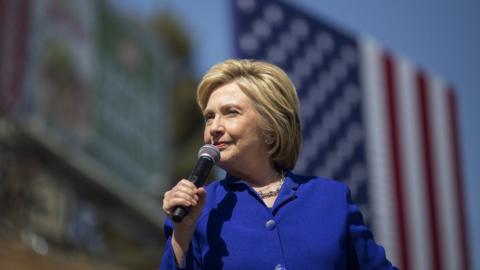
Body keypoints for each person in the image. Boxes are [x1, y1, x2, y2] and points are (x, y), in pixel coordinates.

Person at [160, 59, 397, 270]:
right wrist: (183, 232)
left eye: (231, 112)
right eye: (209, 117)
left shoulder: (331, 198)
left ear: (271, 127)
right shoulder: (196, 210)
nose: (214, 128)